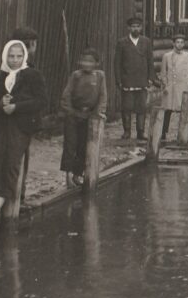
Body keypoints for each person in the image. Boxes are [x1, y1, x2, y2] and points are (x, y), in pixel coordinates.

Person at [0, 39, 45, 235]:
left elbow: (41, 101)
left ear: (24, 56)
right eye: (11, 56)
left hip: (21, 127)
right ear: (5, 56)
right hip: (3, 126)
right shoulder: (1, 77)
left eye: (19, 56)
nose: (15, 60)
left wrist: (16, 106)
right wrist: (2, 104)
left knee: (11, 165)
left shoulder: (32, 75)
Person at [60, 47, 107, 185]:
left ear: (96, 63)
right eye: (84, 61)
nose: (87, 64)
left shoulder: (100, 76)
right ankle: (68, 176)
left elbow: (103, 96)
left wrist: (98, 112)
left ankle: (77, 174)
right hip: (73, 115)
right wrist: (71, 111)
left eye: (90, 62)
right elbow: (66, 95)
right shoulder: (76, 75)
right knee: (70, 145)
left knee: (83, 146)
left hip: (89, 116)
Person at [114, 15, 157, 141]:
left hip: (142, 80)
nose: (136, 29)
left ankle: (140, 132)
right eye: (133, 27)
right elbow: (117, 63)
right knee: (126, 107)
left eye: (138, 26)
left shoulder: (146, 42)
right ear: (129, 28)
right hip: (127, 80)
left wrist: (151, 78)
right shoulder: (122, 43)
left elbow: (150, 61)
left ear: (141, 28)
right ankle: (127, 131)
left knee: (141, 107)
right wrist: (118, 80)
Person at [159, 34, 188, 140]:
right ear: (173, 43)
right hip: (171, 87)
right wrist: (165, 84)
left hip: (184, 87)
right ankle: (163, 133)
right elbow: (163, 72)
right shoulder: (167, 56)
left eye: (181, 42)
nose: (180, 44)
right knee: (167, 110)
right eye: (177, 42)